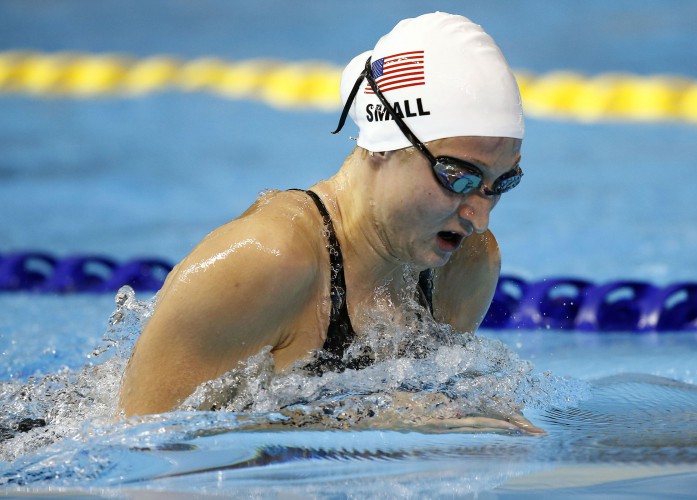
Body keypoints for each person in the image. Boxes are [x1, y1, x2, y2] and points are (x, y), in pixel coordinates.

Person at [119, 12, 542, 433]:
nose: (480, 217)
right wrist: (372, 419)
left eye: (502, 181)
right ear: (382, 144)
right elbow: (139, 449)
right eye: (457, 176)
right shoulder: (266, 263)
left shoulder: (466, 265)